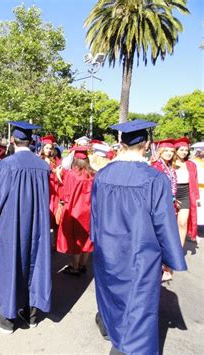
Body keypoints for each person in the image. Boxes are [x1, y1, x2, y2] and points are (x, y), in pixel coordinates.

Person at [91, 119, 186, 354]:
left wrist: (98, 244)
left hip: (107, 252)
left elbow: (94, 216)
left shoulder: (102, 175)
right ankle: (127, 349)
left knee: (112, 297)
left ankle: (115, 335)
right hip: (141, 254)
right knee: (139, 306)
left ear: (121, 143)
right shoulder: (154, 179)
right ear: (146, 145)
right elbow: (164, 222)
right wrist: (171, 258)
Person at [0, 121, 51, 333]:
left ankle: (7, 318)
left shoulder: (6, 165)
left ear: (13, 140)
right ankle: (31, 315)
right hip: (37, 223)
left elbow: (1, 197)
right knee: (35, 263)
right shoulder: (43, 166)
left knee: (11, 265)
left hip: (13, 222)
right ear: (31, 141)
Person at [56, 146, 95, 275]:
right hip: (90, 211)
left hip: (74, 211)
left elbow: (65, 195)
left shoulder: (71, 175)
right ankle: (83, 265)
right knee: (87, 238)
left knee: (75, 240)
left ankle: (75, 266)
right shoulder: (93, 175)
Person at [173, 137, 199, 244]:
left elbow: (195, 182)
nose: (184, 152)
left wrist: (197, 198)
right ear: (176, 150)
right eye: (181, 149)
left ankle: (179, 250)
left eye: (186, 150)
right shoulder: (169, 164)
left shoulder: (191, 165)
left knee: (182, 222)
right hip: (172, 193)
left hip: (185, 194)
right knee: (171, 224)